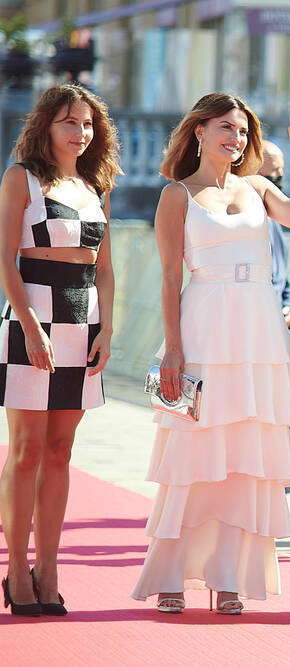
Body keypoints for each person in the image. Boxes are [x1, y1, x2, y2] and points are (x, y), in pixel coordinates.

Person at [131, 95, 290, 613]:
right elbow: (171, 277)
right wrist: (173, 349)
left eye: (242, 131)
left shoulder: (259, 186)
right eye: (224, 127)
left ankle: (229, 577)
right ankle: (171, 575)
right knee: (194, 453)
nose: (235, 138)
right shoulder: (177, 195)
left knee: (245, 456)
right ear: (198, 131)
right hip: (204, 325)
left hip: (258, 329)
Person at [0, 84, 120, 617]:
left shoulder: (97, 183)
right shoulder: (20, 178)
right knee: (26, 450)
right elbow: (5, 261)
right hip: (31, 316)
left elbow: (105, 267)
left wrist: (108, 328)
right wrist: (27, 323)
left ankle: (49, 568)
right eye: (69, 122)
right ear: (46, 125)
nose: (80, 132)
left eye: (88, 125)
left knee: (60, 450)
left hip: (83, 318)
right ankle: (16, 569)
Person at [258, 140, 290, 329]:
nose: (280, 175)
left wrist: (289, 307)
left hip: (275, 328)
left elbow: (282, 277)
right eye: (275, 168)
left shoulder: (274, 219)